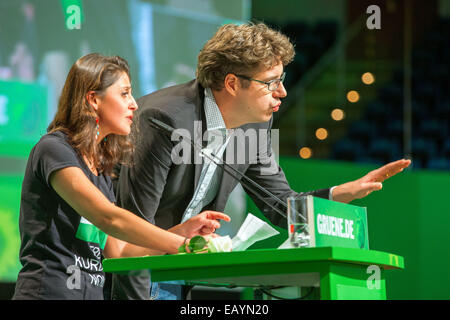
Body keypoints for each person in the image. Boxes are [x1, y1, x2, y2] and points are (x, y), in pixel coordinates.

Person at [111, 22, 411, 300]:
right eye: (270, 82)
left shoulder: (255, 125)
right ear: (231, 84)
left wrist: (339, 193)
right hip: (124, 274)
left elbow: (280, 205)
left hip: (176, 272)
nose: (281, 91)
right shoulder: (164, 119)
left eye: (282, 80)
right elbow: (132, 229)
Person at [12, 53, 230, 300]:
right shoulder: (54, 149)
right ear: (93, 100)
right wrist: (182, 246)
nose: (134, 104)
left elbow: (119, 251)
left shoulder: (100, 167)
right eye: (124, 93)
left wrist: (182, 232)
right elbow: (108, 217)